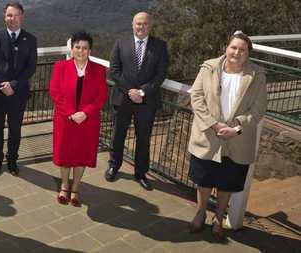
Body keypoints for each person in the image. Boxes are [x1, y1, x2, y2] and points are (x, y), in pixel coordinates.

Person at [187, 32, 267, 241]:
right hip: (208, 135)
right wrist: (213, 123)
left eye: (242, 49)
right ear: (226, 47)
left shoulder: (257, 75)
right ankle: (201, 211)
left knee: (227, 182)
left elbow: (259, 109)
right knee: (204, 180)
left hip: (237, 139)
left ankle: (218, 217)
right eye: (234, 47)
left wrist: (237, 127)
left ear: (248, 54)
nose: (237, 52)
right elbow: (196, 96)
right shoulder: (209, 67)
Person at [106, 12, 168, 191]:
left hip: (146, 101)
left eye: (145, 24)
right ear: (133, 25)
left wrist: (142, 91)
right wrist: (130, 91)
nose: (141, 27)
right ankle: (114, 166)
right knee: (118, 135)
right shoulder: (120, 43)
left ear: (150, 26)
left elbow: (160, 74)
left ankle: (141, 173)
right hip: (123, 98)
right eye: (138, 24)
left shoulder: (160, 46)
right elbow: (114, 71)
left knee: (143, 139)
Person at [50, 32, 108, 206]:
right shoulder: (60, 66)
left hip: (87, 122)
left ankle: (75, 188)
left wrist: (85, 113)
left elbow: (101, 96)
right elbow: (55, 92)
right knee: (65, 154)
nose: (81, 51)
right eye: (77, 47)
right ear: (72, 48)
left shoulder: (99, 70)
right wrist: (70, 112)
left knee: (81, 156)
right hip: (65, 120)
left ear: (89, 50)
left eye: (85, 48)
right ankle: (64, 186)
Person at [0, 2, 37, 176]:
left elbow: (31, 68)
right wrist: (3, 84)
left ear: (22, 16)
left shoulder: (30, 40)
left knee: (15, 129)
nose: (12, 18)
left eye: (15, 15)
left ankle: (13, 159)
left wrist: (13, 85)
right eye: (9, 15)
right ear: (4, 16)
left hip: (18, 93)